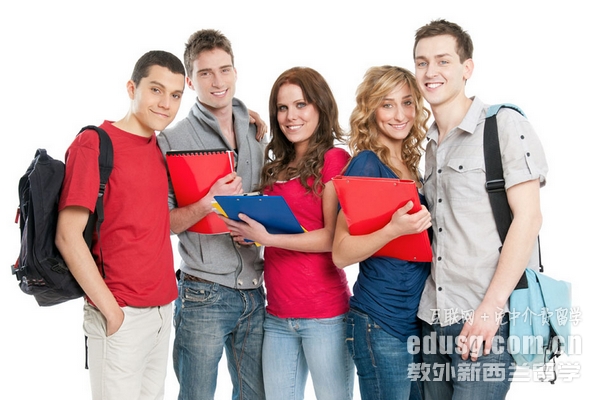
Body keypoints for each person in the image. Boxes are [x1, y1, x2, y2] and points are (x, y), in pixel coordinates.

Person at [412, 19, 549, 399]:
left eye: (443, 61)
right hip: (432, 318)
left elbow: (528, 219)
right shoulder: (429, 144)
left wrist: (490, 309)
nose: (431, 71)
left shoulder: (502, 124)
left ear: (466, 68)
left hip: (483, 319)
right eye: (422, 62)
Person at [55, 50, 185, 400]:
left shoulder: (158, 148)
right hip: (121, 315)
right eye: (156, 90)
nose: (166, 103)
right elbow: (67, 236)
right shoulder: (94, 143)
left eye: (175, 95)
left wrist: (238, 113)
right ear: (132, 88)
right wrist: (112, 312)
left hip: (163, 313)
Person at [222, 67, 354, 400]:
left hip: (324, 315)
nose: (290, 116)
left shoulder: (334, 159)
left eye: (300, 105)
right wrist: (250, 233)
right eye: (282, 108)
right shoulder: (276, 166)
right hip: (278, 314)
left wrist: (267, 239)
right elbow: (279, 226)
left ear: (320, 107)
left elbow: (331, 238)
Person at [156, 29, 266, 400]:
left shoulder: (255, 131)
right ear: (190, 81)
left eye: (224, 70)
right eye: (205, 73)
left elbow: (266, 199)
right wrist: (208, 202)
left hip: (255, 291)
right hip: (203, 293)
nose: (218, 81)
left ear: (236, 71)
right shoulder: (171, 140)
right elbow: (164, 224)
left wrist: (257, 230)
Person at [332, 66, 432, 400]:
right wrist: (393, 230)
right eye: (388, 105)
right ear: (371, 110)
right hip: (380, 319)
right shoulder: (366, 164)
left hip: (413, 319)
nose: (400, 115)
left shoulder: (413, 166)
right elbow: (341, 252)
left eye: (407, 102)